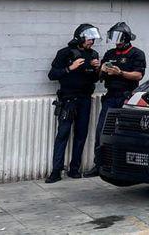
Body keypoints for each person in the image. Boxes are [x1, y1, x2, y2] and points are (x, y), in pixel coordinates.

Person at [46, 24, 101, 183]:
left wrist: (96, 69)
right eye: (89, 39)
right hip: (68, 99)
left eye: (93, 39)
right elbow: (52, 74)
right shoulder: (65, 53)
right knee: (62, 134)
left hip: (84, 99)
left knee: (81, 134)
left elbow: (94, 79)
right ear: (80, 37)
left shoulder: (93, 54)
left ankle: (74, 169)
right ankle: (56, 171)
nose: (91, 42)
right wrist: (70, 68)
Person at [92, 22, 146, 174]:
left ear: (126, 38)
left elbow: (138, 75)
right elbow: (99, 77)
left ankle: (126, 165)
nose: (117, 42)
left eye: (119, 38)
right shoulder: (110, 54)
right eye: (115, 38)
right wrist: (101, 70)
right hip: (111, 96)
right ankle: (99, 164)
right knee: (102, 129)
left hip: (126, 96)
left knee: (125, 132)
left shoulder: (136, 53)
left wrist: (120, 73)